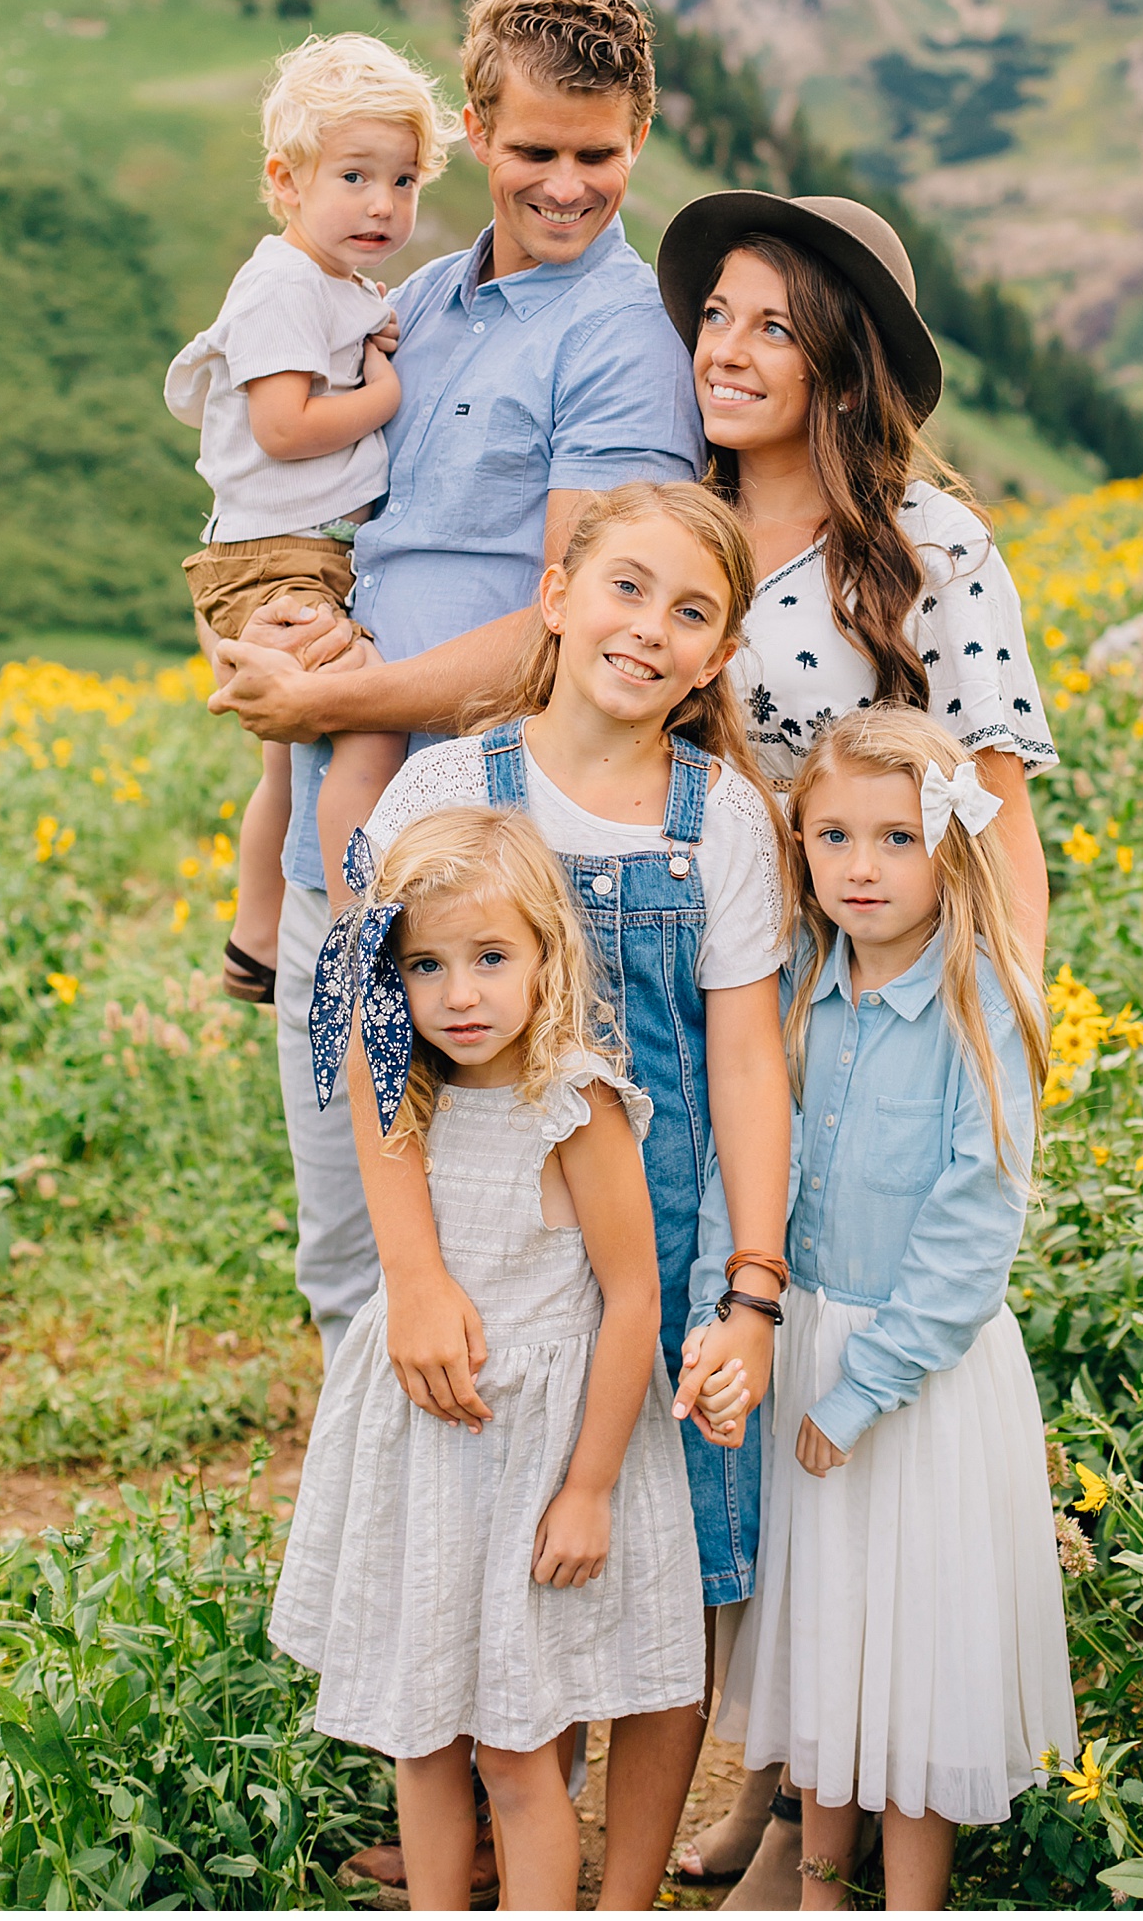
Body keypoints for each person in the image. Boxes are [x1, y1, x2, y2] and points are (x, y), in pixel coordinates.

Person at [208, 0, 704, 1373]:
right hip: (336, 852)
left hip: (490, 874)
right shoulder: (410, 297)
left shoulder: (624, 341)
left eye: (598, 155)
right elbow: (313, 502)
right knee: (346, 1251)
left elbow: (576, 631)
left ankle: (476, 1576)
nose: (566, 184)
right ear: (476, 129)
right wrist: (281, 635)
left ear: (639, 141)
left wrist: (332, 699)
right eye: (535, 149)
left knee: (488, 1254)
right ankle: (374, 1574)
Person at [653, 188, 1061, 1894]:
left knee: (843, 1387)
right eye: (715, 317)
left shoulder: (931, 546)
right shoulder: (680, 534)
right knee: (727, 1392)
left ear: (839, 367)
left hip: (868, 1020)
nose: (725, 351)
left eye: (769, 325)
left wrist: (996, 1044)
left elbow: (998, 811)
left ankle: (819, 1807)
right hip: (702, 1001)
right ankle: (772, 1765)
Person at [351, 479, 794, 1909]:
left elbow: (743, 1064)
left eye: (690, 612)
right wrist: (411, 1275)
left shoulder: (718, 815)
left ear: (719, 655)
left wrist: (752, 1278)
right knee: (493, 1554)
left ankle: (626, 1891)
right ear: (555, 598)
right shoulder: (441, 790)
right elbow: (371, 1056)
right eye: (624, 588)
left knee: (670, 1570)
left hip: (657, 1251)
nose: (649, 629)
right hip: (484, 1264)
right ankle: (504, 1844)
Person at [268, 806, 708, 1912]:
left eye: (491, 957)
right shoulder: (407, 1086)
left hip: (541, 1460)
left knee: (517, 1750)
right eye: (426, 963)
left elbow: (632, 1299)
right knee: (422, 1738)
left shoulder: (573, 1102)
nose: (459, 993)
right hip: (433, 1457)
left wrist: (593, 1485)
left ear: (547, 955)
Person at [686, 706, 1077, 1911]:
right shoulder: (798, 988)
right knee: (829, 1646)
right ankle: (816, 1884)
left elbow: (972, 1230)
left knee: (915, 1663)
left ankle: (909, 1898)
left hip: (918, 1380)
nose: (861, 865)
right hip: (803, 1343)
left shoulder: (983, 1006)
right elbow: (738, 1163)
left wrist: (865, 1386)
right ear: (799, 841)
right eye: (835, 834)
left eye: (897, 837)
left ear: (949, 848)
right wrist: (719, 1310)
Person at [164, 33, 454, 1011]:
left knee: (288, 764)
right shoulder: (283, 284)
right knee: (361, 722)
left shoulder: (342, 283)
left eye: (404, 179)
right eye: (355, 176)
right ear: (285, 182)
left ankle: (255, 936)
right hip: (273, 552)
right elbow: (285, 427)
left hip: (305, 548)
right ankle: (353, 947)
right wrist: (383, 393)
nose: (383, 203)